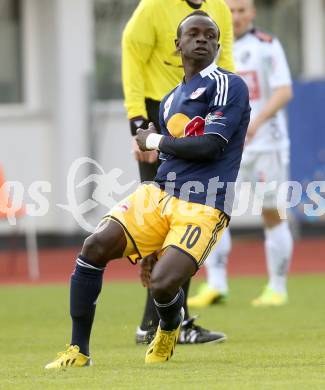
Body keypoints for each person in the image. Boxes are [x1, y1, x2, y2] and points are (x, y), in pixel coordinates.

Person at [45, 11, 250, 368]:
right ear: (178, 44)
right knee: (94, 246)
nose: (201, 39)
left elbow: (210, 146)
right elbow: (171, 152)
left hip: (204, 202)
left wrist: (154, 138)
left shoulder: (228, 85)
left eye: (209, 35)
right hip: (159, 194)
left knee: (161, 285)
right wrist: (156, 146)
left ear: (218, 45)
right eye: (193, 34)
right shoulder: (171, 98)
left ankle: (169, 328)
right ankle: (78, 351)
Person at [122, 0, 236, 345]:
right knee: (160, 222)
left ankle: (157, 322)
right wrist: (137, 121)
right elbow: (131, 53)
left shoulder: (220, 9)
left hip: (204, 113)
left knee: (189, 219)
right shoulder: (154, 7)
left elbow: (226, 63)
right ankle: (164, 322)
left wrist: (231, 115)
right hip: (160, 111)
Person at [188, 0, 293, 308]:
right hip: (224, 147)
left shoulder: (267, 46)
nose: (235, 16)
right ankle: (216, 284)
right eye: (230, 10)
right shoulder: (212, 51)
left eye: (241, 10)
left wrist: (253, 124)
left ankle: (277, 287)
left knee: (271, 213)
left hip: (265, 144)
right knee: (214, 213)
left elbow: (283, 91)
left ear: (253, 12)